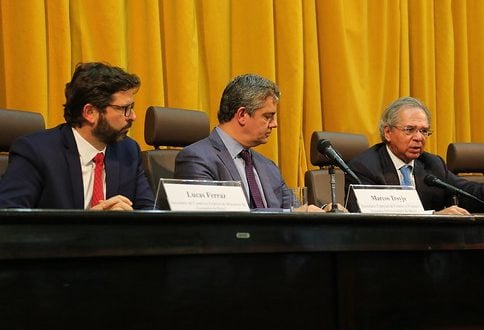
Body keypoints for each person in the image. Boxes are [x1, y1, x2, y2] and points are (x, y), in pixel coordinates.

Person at [0, 62, 155, 210]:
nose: (133, 116)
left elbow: (149, 213)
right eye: (125, 108)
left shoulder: (128, 151)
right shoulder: (36, 152)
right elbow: (11, 221)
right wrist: (86, 226)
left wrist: (129, 222)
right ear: (90, 113)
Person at [344, 97, 484, 214]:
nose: (418, 138)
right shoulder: (365, 166)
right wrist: (434, 216)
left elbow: (466, 192)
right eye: (410, 130)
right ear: (388, 133)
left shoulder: (432, 164)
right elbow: (375, 218)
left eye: (424, 131)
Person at [174, 74, 291, 210]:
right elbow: (213, 218)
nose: (274, 124)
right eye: (267, 117)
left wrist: (317, 209)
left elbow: (295, 209)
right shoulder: (196, 159)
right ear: (242, 115)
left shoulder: (268, 166)